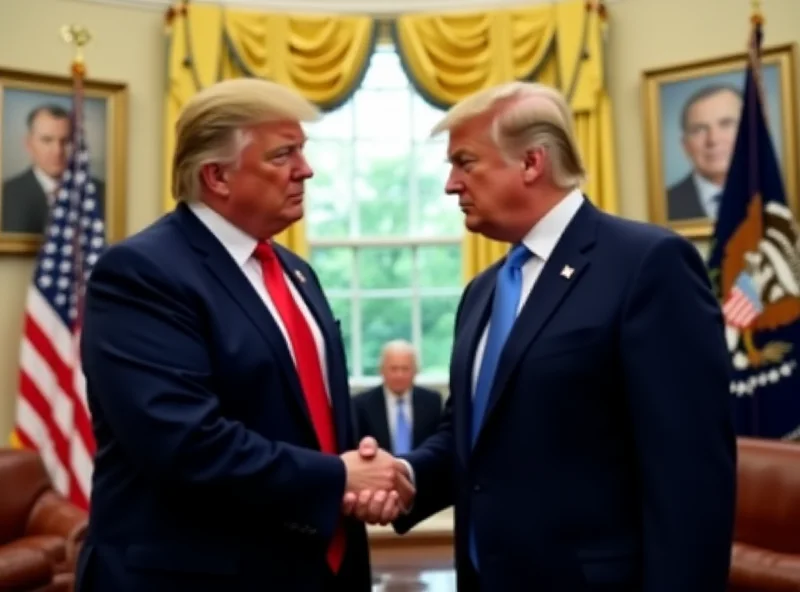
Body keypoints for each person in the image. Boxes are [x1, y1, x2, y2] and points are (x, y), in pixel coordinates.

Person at [352, 81, 736, 591]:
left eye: (465, 162)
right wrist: (406, 475)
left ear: (531, 163)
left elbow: (691, 474)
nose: (450, 184)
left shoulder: (647, 265)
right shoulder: (483, 290)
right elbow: (469, 437)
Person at [75, 78, 410, 592]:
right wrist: (341, 478)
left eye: (303, 150)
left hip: (318, 567)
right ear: (217, 176)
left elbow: (308, 415)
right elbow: (185, 443)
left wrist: (366, 475)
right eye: (284, 154)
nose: (307, 169)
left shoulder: (294, 271)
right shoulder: (142, 273)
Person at [1, 104, 105, 234]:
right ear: (29, 144)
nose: (57, 151)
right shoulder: (6, 194)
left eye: (66, 141)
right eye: (47, 140)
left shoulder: (101, 192)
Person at [353, 339, 443, 454]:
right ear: (381, 370)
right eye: (393, 369)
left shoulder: (432, 402)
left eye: (405, 369)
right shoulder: (361, 405)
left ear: (416, 371)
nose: (399, 375)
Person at [666, 85, 742, 222]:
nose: (713, 139)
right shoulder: (666, 204)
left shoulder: (777, 196)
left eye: (726, 124)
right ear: (685, 145)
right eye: (699, 129)